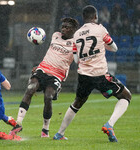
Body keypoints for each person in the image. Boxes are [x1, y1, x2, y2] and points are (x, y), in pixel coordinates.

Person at [53, 5, 132, 142]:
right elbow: (114, 48)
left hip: (84, 75)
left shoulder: (76, 34)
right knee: (126, 96)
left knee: (77, 103)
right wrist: (102, 46)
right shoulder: (100, 29)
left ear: (83, 18)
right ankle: (109, 125)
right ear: (95, 16)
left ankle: (59, 134)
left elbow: (76, 59)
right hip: (100, 74)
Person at [9, 17, 79, 137]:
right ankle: (18, 123)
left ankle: (45, 129)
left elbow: (77, 60)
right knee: (30, 89)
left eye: (67, 27)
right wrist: (39, 65)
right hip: (42, 69)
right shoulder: (55, 35)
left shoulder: (76, 43)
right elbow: (51, 53)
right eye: (62, 26)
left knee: (48, 97)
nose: (63, 29)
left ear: (73, 29)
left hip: (57, 75)